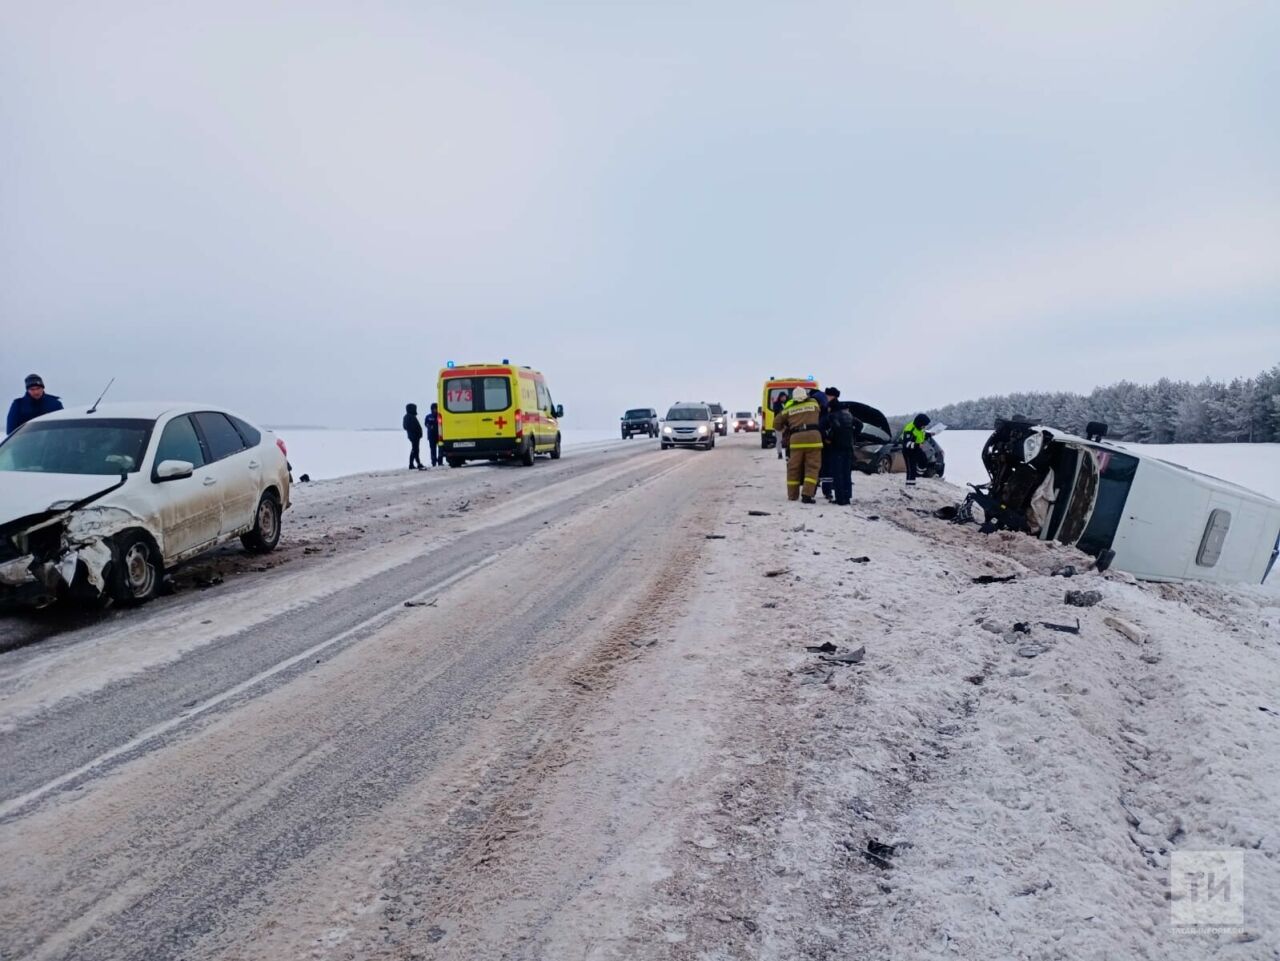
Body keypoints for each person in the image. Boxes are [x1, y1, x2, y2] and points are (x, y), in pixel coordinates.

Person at [773, 387, 824, 503]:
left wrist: (786, 427)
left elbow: (776, 423)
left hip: (796, 440)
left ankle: (792, 495)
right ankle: (807, 494)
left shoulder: (789, 408)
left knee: (793, 467)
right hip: (814, 439)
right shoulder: (814, 403)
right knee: (812, 467)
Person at [826, 400, 862, 506]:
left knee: (838, 473)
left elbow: (834, 429)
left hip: (837, 447)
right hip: (848, 448)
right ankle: (847, 497)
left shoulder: (833, 416)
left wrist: (829, 439)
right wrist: (852, 434)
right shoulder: (849, 415)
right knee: (847, 473)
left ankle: (840, 498)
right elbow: (860, 424)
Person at [819, 387, 841, 501]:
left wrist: (826, 437)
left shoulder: (828, 408)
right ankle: (830, 490)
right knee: (833, 467)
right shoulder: (840, 408)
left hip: (827, 442)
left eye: (827, 395)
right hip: (836, 442)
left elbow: (823, 424)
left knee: (826, 467)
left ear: (832, 396)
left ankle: (827, 490)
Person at [901, 413, 932, 486]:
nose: (924, 427)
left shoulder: (920, 428)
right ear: (919, 423)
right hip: (908, 451)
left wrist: (930, 434)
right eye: (924, 425)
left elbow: (922, 435)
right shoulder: (909, 429)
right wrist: (917, 445)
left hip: (916, 449)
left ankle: (918, 474)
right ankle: (909, 486)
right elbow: (906, 444)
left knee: (924, 461)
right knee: (911, 469)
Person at [404, 403, 425, 470]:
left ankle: (414, 463)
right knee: (415, 450)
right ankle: (415, 463)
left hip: (414, 436)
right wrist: (417, 433)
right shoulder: (409, 417)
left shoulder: (409, 416)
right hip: (414, 436)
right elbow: (410, 427)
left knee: (415, 449)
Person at [424, 402, 443, 467]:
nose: (435, 410)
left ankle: (440, 461)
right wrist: (429, 426)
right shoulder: (428, 416)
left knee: (440, 448)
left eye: (436, 408)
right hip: (431, 436)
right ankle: (433, 462)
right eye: (434, 409)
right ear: (431, 409)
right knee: (433, 449)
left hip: (439, 435)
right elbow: (426, 424)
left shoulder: (440, 416)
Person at [771, 392, 788, 459]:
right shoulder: (776, 404)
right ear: (779, 397)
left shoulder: (788, 403)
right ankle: (779, 453)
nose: (783, 398)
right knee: (779, 439)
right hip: (779, 424)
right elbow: (777, 413)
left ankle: (787, 453)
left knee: (787, 439)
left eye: (784, 397)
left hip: (787, 424)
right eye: (782, 397)